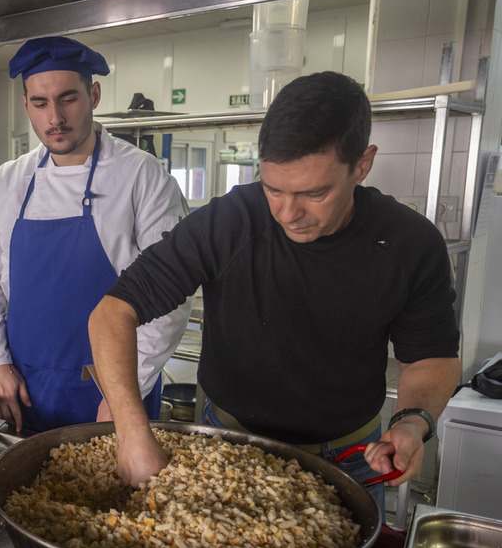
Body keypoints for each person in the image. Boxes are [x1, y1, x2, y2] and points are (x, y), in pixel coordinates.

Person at [88, 71, 461, 513]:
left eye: (314, 193)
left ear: (362, 164)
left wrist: (412, 421)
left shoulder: (409, 244)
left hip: (349, 459)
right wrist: (132, 432)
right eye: (273, 189)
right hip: (227, 446)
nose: (288, 213)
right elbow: (113, 313)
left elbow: (431, 358)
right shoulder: (231, 221)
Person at [0, 36, 192, 433]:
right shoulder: (11, 179)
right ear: (26, 105)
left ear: (94, 94)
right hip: (24, 389)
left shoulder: (142, 175)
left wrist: (123, 393)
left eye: (68, 99)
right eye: (40, 103)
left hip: (112, 388)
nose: (54, 117)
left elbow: (170, 298)